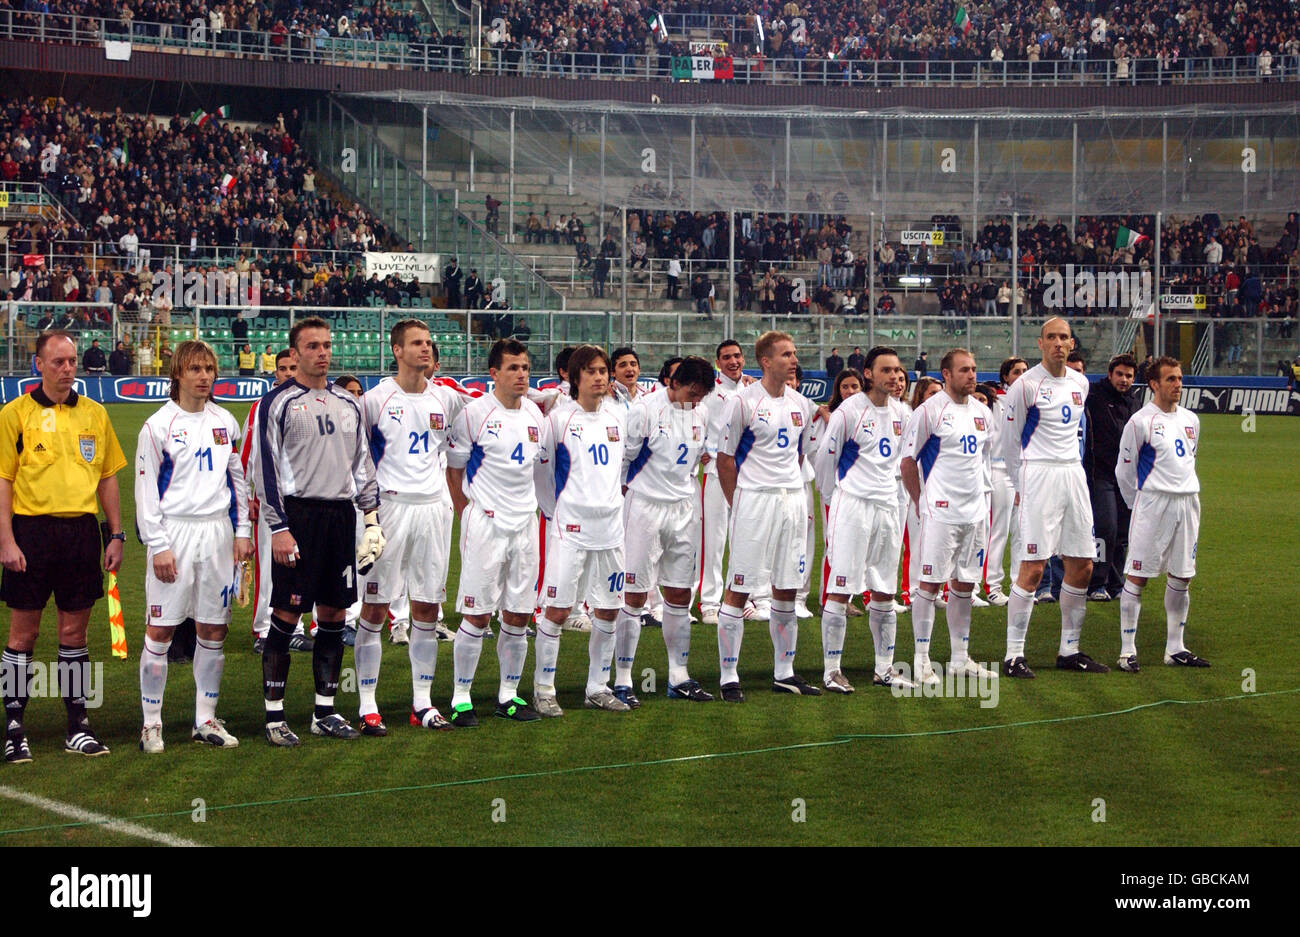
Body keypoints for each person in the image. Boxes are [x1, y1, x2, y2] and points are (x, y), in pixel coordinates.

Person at [256, 317, 383, 745]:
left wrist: (371, 521)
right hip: (299, 518)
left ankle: (324, 711)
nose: (322, 353)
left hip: (339, 518)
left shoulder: (348, 404)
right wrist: (279, 528)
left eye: (326, 345)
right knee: (287, 615)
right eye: (312, 347)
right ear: (295, 354)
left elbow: (363, 465)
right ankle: (274, 716)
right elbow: (266, 471)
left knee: (333, 614)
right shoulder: (279, 403)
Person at [1, 332, 127, 762]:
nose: (67, 368)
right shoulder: (13, 414)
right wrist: (6, 540)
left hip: (80, 534)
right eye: (58, 361)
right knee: (24, 634)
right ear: (38, 364)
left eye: (72, 361)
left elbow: (108, 477)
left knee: (75, 634)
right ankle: (14, 728)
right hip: (31, 533)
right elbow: (4, 481)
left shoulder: (95, 413)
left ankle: (78, 724)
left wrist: (115, 533)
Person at [135, 341, 254, 752]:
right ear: (178, 374)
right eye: (196, 369)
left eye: (209, 369)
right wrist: (159, 544)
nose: (204, 376)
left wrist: (242, 532)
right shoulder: (157, 426)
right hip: (175, 533)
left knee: (213, 628)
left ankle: (205, 719)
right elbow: (146, 492)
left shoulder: (226, 421)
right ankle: (152, 722)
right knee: (161, 628)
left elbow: (237, 482)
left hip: (218, 533)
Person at [355, 320, 467, 734]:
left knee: (427, 607)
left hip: (434, 512)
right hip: (391, 510)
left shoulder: (448, 400)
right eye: (416, 343)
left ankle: (422, 703)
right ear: (397, 350)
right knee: (375, 607)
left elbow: (485, 418)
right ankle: (368, 703)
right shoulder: (375, 400)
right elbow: (358, 459)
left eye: (428, 343)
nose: (425, 349)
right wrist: (368, 516)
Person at [445, 339, 551, 725]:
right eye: (513, 368)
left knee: (520, 613)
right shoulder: (474, 414)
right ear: (494, 374)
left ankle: (508, 695)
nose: (522, 375)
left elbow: (539, 471)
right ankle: (461, 698)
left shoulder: (536, 418)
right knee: (477, 614)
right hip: (486, 523)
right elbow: (454, 470)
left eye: (525, 367)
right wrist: (466, 513)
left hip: (525, 524)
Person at [715, 331, 819, 700]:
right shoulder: (742, 402)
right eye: (786, 354)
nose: (793, 360)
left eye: (794, 353)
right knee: (739, 586)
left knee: (787, 586)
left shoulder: (802, 405)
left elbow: (800, 455)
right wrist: (737, 503)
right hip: (754, 500)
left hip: (791, 500)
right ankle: (729, 675)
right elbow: (724, 460)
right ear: (766, 361)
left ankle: (785, 671)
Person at [1002, 317, 1107, 678]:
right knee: (1033, 567)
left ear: (1072, 343)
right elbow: (1010, 443)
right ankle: (1014, 655)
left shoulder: (1080, 383)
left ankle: (1070, 650)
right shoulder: (1025, 386)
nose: (1058, 343)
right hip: (1039, 473)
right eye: (1051, 337)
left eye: (1064, 337)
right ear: (1040, 343)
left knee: (1083, 565)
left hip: (1072, 474)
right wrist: (1023, 485)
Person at [536, 345, 633, 714]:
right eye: (591, 371)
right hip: (570, 529)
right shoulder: (559, 420)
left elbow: (622, 466)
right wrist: (556, 512)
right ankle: (544, 688)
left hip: (610, 530)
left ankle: (598, 686)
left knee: (609, 610)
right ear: (574, 378)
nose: (599, 377)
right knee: (558, 610)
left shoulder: (618, 417)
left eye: (603, 371)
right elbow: (542, 475)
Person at [814, 346, 916, 692]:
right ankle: (831, 670)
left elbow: (903, 464)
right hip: (853, 505)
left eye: (897, 370)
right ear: (868, 374)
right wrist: (835, 499)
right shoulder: (849, 412)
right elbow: (825, 462)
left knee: (885, 591)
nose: (893, 376)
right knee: (841, 589)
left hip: (888, 507)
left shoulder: (904, 414)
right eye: (885, 370)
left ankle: (885, 668)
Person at [617, 356, 715, 703]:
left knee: (679, 595)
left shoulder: (702, 412)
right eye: (691, 392)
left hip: (684, 510)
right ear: (672, 382)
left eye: (701, 395)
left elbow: (701, 454)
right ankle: (624, 680)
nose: (695, 400)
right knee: (634, 596)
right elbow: (624, 461)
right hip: (645, 506)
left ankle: (679, 676)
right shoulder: (643, 411)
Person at [900, 348, 999, 686]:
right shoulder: (929, 411)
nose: (972, 375)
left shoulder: (983, 412)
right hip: (941, 511)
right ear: (946, 374)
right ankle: (922, 659)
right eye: (964, 370)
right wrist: (921, 501)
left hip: (975, 511)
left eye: (974, 369)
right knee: (929, 585)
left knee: (965, 583)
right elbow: (908, 462)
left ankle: (959, 658)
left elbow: (984, 459)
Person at [1114, 357, 1209, 672]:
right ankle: (1127, 650)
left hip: (1187, 502)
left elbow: (1189, 460)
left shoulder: (1191, 420)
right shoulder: (1140, 422)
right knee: (1138, 576)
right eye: (1170, 379)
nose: (1177, 384)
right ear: (1154, 384)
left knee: (1183, 575)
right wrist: (1137, 505)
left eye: (1180, 378)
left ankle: (1175, 648)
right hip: (1153, 502)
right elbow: (1124, 472)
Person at [241, 350, 312, 654]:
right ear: (275, 374)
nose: (287, 373)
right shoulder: (260, 407)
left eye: (292, 368)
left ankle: (293, 628)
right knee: (269, 569)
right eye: (282, 369)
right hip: (271, 501)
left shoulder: (313, 404)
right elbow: (245, 456)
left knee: (298, 567)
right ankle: (263, 631)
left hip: (306, 500)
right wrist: (248, 497)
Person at [697, 339, 748, 625]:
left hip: (747, 475)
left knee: (743, 538)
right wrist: (702, 451)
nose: (733, 361)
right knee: (714, 540)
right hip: (717, 473)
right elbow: (696, 421)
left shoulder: (753, 391)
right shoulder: (710, 393)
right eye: (726, 357)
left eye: (737, 356)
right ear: (718, 362)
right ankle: (709, 602)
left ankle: (740, 597)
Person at [1084, 354, 1138, 601]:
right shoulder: (1093, 396)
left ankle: (1116, 585)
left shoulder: (1134, 403)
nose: (1124, 380)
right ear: (1109, 374)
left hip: (1125, 478)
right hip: (1100, 474)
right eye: (1120, 374)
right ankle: (1096, 582)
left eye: (1129, 375)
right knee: (1105, 529)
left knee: (1122, 533)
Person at [983, 357, 1027, 606]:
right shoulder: (996, 400)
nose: (1021, 375)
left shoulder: (1033, 401)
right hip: (999, 470)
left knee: (1021, 533)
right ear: (1005, 378)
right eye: (1016, 371)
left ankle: (1019, 584)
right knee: (998, 531)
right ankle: (993, 586)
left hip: (1024, 474)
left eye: (1024, 371)